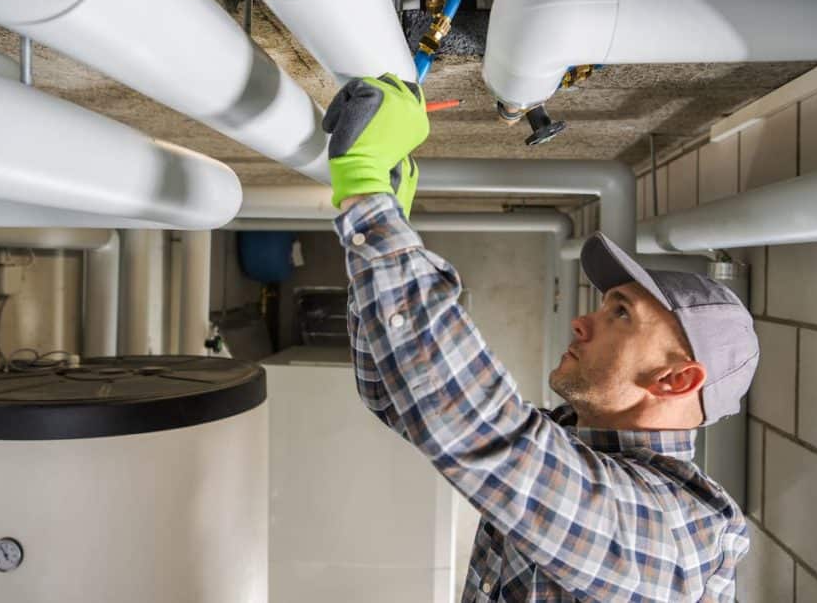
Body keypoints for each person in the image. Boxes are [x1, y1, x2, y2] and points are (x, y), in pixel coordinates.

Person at [324, 73, 759, 602]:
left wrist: (369, 195)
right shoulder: (574, 446)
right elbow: (399, 396)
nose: (582, 322)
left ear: (677, 378)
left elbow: (486, 435)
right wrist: (385, 221)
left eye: (620, 314)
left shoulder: (680, 531)